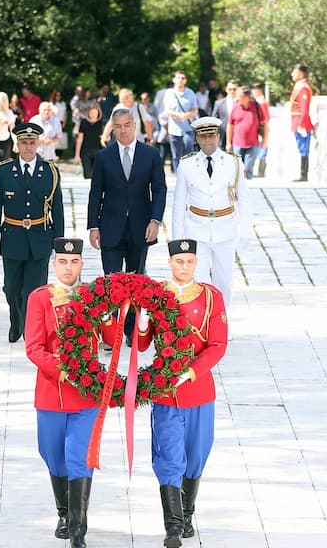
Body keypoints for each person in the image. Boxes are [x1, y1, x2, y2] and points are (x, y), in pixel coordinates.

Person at [139, 239, 228, 547]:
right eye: (179, 262)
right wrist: (141, 321)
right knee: (169, 455)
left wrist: (189, 372)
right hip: (165, 393)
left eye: (190, 261)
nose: (185, 267)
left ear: (196, 263)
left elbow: (218, 345)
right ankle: (173, 525)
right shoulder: (157, 296)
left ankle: (187, 513)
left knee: (196, 453)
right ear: (170, 263)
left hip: (199, 388)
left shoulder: (210, 297)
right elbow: (140, 346)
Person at [24, 238, 105, 548]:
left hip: (87, 396)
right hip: (52, 391)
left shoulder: (93, 297)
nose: (68, 267)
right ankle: (63, 511)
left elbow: (110, 337)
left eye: (74, 262)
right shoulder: (40, 298)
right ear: (53, 264)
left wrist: (110, 315)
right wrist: (64, 371)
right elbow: (34, 347)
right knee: (53, 454)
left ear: (82, 264)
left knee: (79, 456)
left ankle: (77, 527)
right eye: (62, 262)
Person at [87, 108, 166, 339]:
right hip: (110, 228)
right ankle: (112, 334)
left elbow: (159, 189)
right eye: (118, 126)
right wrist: (93, 226)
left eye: (126, 125)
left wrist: (155, 220)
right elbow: (95, 194)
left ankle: (132, 331)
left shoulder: (150, 155)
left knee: (136, 280)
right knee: (111, 283)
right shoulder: (104, 157)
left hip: (141, 228)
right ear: (113, 128)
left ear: (134, 125)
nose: (122, 130)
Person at [0, 123, 64, 343]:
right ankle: (16, 318)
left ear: (38, 144)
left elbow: (57, 210)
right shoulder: (3, 171)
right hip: (12, 237)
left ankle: (31, 330)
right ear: (17, 144)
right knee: (11, 288)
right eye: (24, 143)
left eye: (32, 143)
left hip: (40, 238)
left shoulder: (50, 171)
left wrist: (59, 245)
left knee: (34, 290)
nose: (28, 147)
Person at [172, 117, 253, 318]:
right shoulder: (187, 164)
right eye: (203, 136)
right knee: (199, 280)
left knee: (224, 279)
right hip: (196, 229)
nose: (207, 140)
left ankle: (222, 321)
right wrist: (177, 239)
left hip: (225, 229)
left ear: (218, 137)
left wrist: (245, 234)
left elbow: (244, 201)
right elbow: (178, 203)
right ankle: (203, 321)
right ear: (197, 138)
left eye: (211, 136)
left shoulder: (234, 163)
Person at [226, 85, 266, 180]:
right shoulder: (236, 107)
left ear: (247, 97)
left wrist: (265, 140)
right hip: (237, 144)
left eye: (239, 97)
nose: (237, 98)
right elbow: (230, 125)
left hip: (253, 143)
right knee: (238, 169)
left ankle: (247, 188)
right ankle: (239, 190)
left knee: (248, 167)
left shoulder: (256, 106)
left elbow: (265, 124)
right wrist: (228, 142)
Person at [164, 70, 199, 172]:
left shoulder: (190, 93)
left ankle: (189, 176)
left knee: (189, 153)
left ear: (185, 81)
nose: (180, 80)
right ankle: (178, 176)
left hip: (188, 129)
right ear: (174, 80)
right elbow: (167, 110)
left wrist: (186, 115)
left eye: (182, 78)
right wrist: (177, 115)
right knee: (176, 155)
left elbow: (195, 109)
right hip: (174, 130)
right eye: (178, 78)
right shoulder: (169, 93)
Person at [289, 65, 314, 182]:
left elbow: (304, 108)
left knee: (304, 149)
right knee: (301, 148)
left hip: (301, 122)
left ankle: (304, 175)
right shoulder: (298, 87)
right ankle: (302, 174)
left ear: (301, 74)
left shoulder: (303, 88)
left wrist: (302, 124)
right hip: (296, 121)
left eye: (295, 72)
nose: (292, 74)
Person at [73, 105, 104, 180]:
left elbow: (104, 138)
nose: (93, 114)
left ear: (98, 113)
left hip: (98, 151)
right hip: (85, 152)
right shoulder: (83, 123)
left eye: (95, 112)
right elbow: (80, 139)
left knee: (97, 175)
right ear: (88, 113)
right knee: (87, 175)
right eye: (91, 112)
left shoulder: (102, 123)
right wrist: (77, 155)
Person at [211, 80, 238, 151]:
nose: (232, 91)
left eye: (234, 89)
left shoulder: (241, 103)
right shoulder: (219, 103)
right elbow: (214, 120)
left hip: (238, 135)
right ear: (226, 89)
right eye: (230, 89)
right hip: (222, 135)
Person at [251, 82, 270, 178]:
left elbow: (265, 117)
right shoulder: (258, 101)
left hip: (261, 128)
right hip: (259, 127)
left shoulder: (262, 102)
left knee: (262, 148)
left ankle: (261, 171)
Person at [49, 89, 69, 158]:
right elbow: (51, 115)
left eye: (59, 96)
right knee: (54, 137)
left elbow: (65, 113)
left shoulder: (63, 103)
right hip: (54, 123)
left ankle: (60, 154)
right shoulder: (51, 104)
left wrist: (64, 123)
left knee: (61, 137)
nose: (58, 97)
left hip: (62, 122)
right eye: (57, 95)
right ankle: (54, 154)